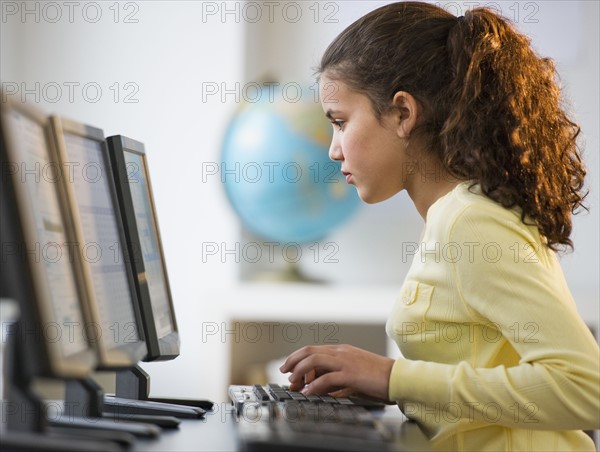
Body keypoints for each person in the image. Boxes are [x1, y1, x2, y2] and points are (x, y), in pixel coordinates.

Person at [279, 2, 600, 450]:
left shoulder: (470, 220)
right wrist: (386, 387)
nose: (333, 150)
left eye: (340, 122)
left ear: (403, 114)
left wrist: (394, 377)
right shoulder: (451, 215)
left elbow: (585, 388)